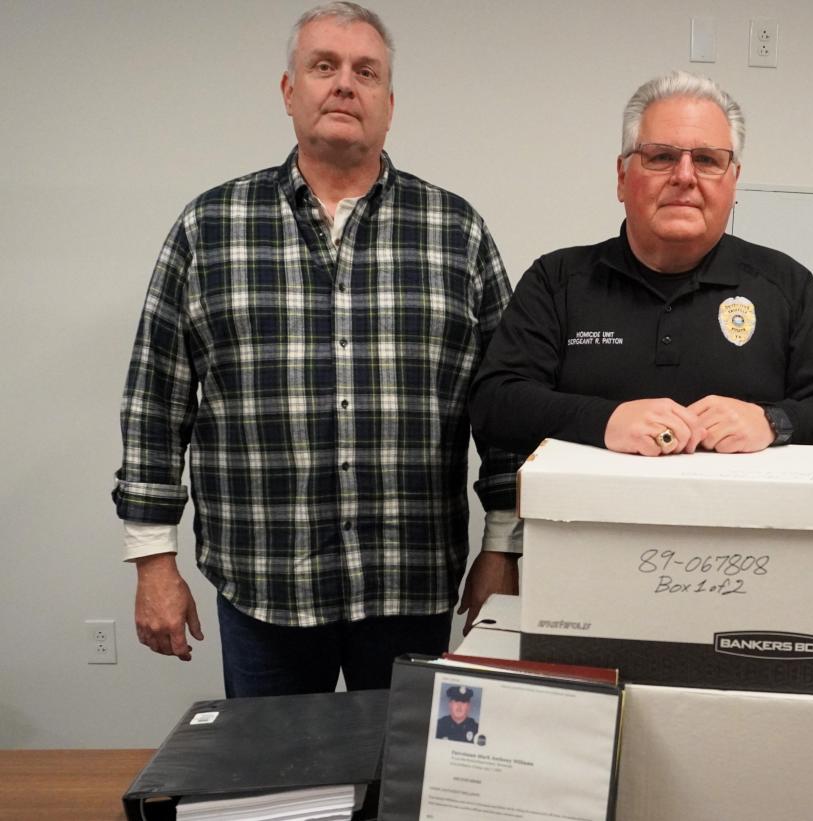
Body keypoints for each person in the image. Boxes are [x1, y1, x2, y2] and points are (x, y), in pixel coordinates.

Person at [113, 2, 522, 697]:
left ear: (389, 104)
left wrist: (503, 546)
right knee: (274, 789)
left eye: (366, 72)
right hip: (263, 586)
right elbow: (157, 399)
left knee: (398, 789)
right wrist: (153, 559)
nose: (344, 84)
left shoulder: (459, 233)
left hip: (411, 582)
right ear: (288, 90)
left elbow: (506, 410)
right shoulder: (210, 228)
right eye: (323, 66)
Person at [469, 70, 813, 462]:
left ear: (734, 181)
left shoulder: (786, 284)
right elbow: (495, 403)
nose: (684, 176)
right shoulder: (557, 280)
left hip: (742, 526)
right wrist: (605, 420)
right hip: (588, 526)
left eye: (708, 160)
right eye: (661, 156)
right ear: (622, 177)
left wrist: (771, 421)